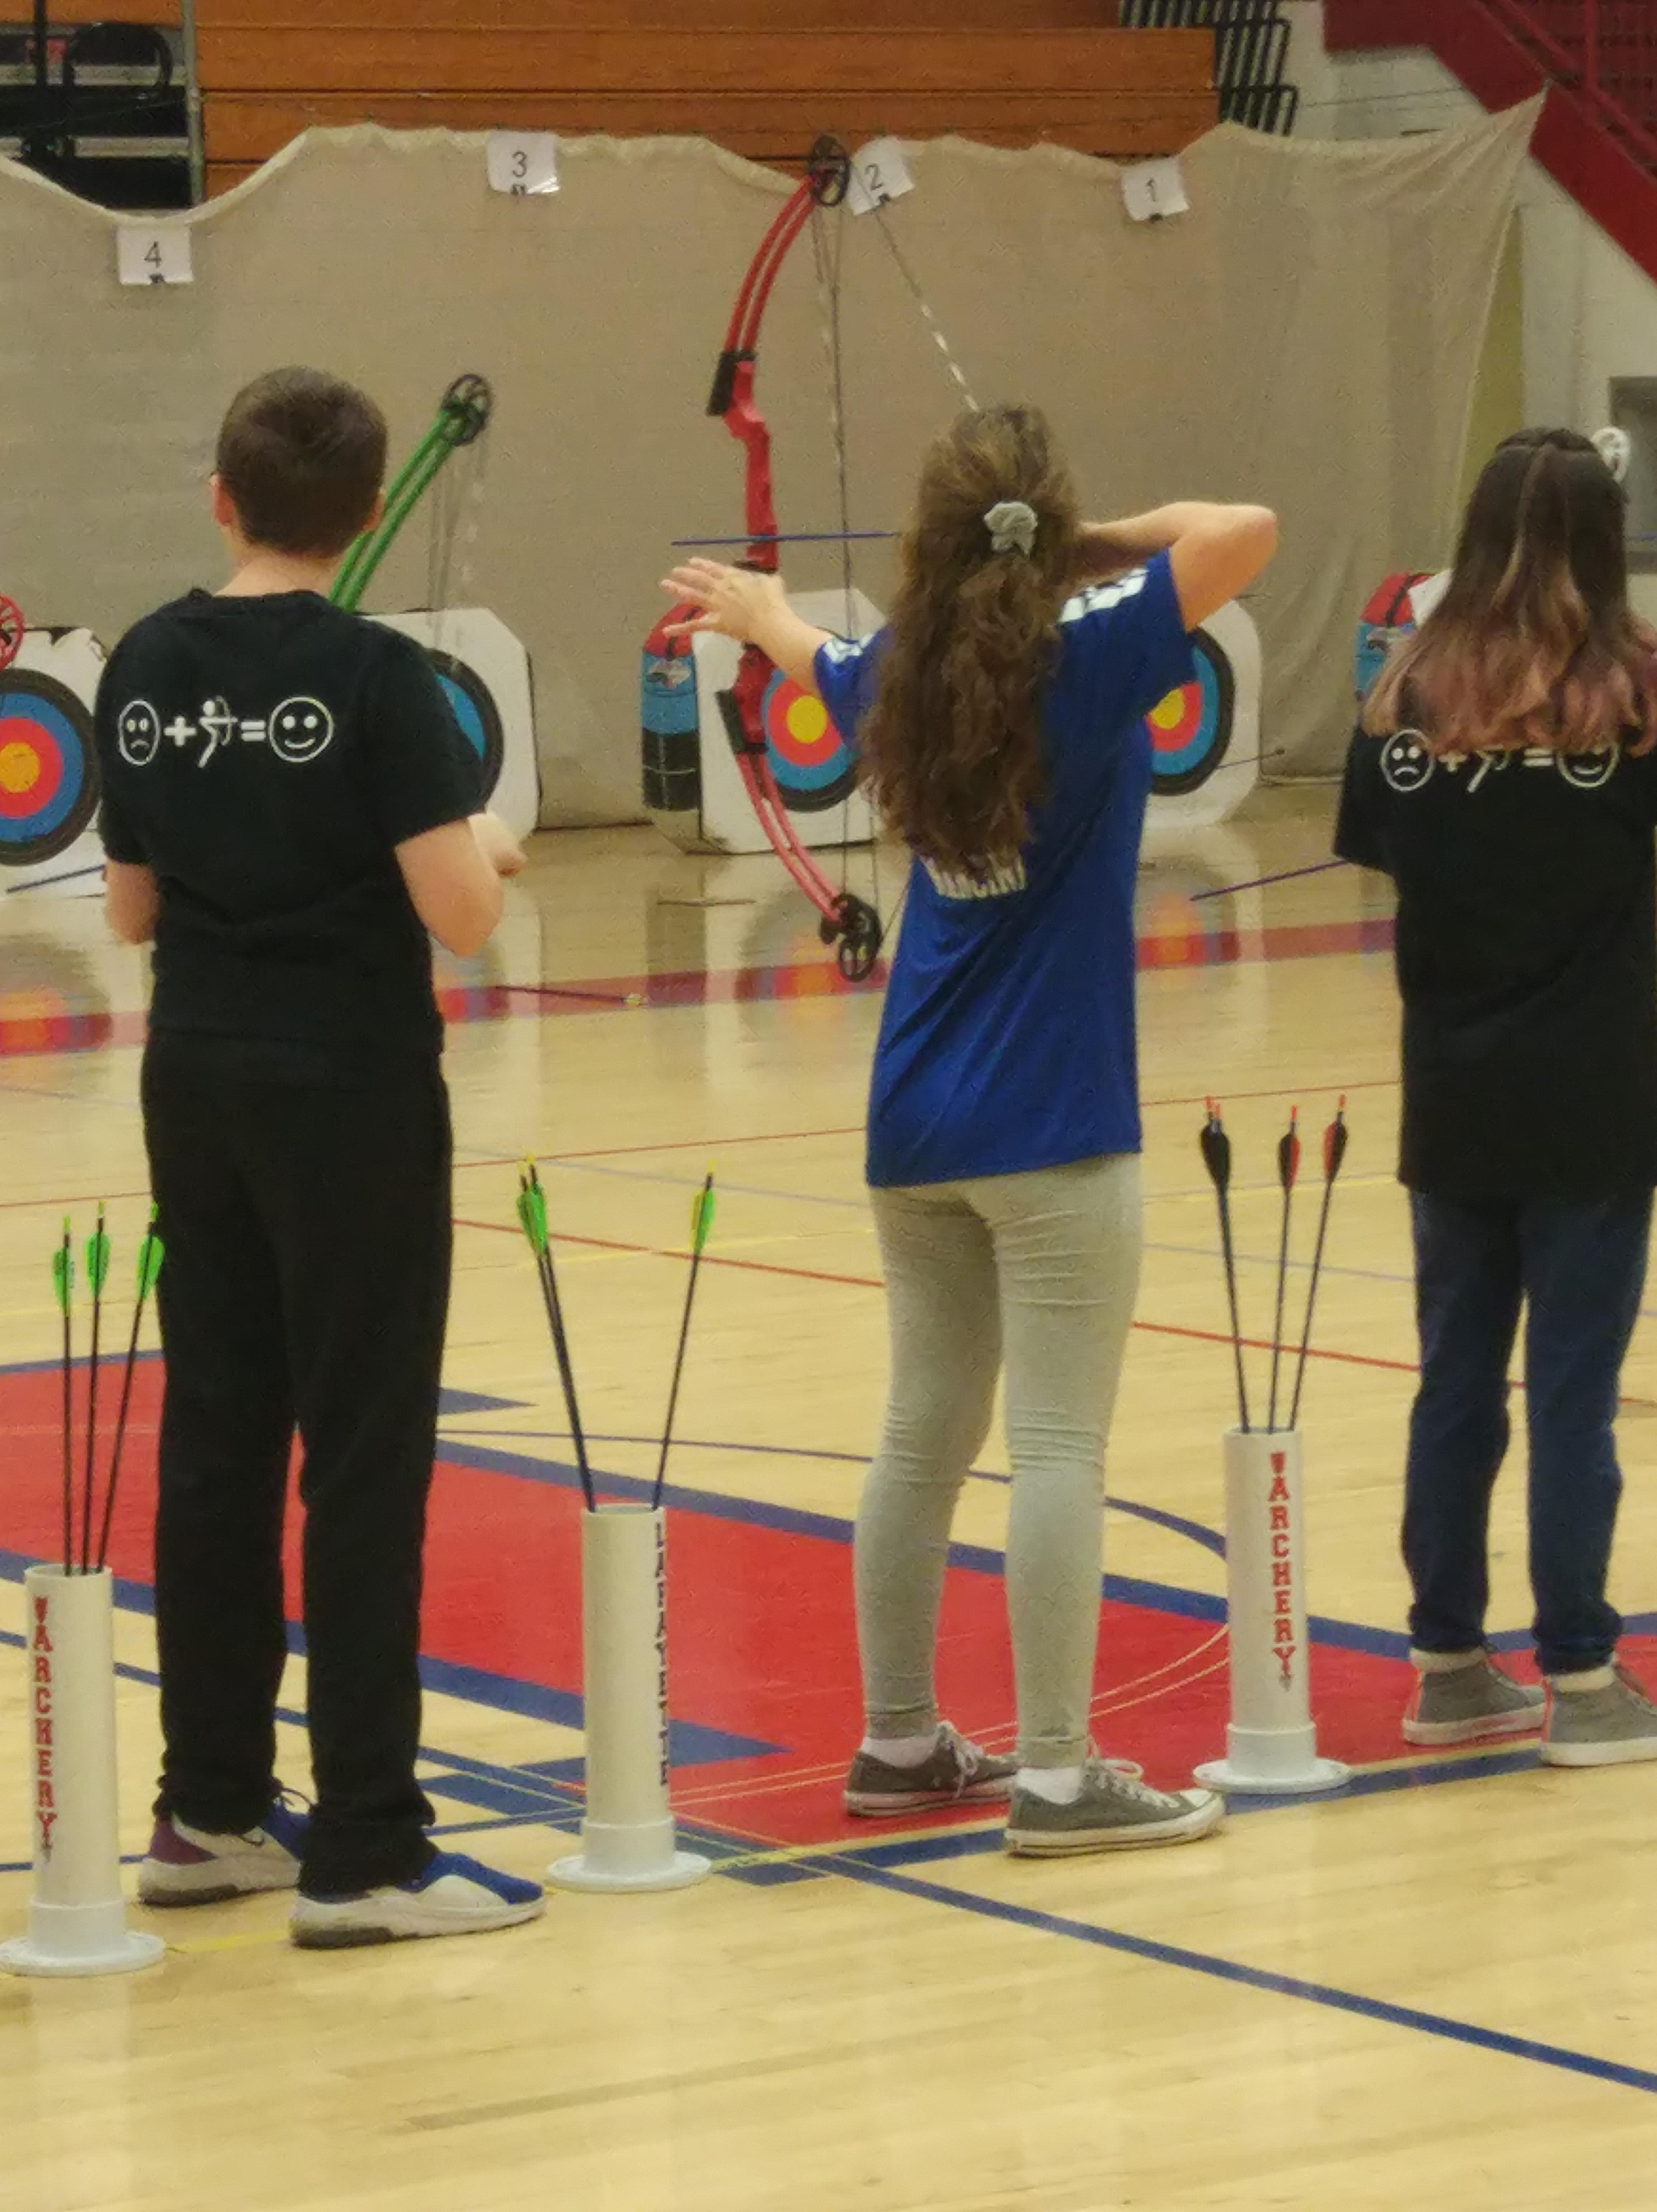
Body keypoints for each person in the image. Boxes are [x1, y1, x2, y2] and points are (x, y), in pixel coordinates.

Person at [663, 403, 1277, 1853]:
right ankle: (1059, 1774)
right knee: (1058, 1444)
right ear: (1043, 531)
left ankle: (898, 1744)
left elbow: (814, 654)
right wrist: (1090, 540)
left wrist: (758, 612)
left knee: (921, 1436)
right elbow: (1241, 530)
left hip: (916, 1121)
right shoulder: (1090, 652)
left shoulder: (907, 665)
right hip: (1054, 1117)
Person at [97, 365, 545, 1944]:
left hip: (196, 1081)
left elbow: (131, 913)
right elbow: (464, 916)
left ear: (223, 500)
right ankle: (365, 1845)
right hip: (347, 1094)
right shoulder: (374, 677)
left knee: (219, 1437)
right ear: (363, 516)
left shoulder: (144, 661)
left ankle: (210, 1807)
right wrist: (484, 840)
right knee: (362, 1454)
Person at [1337, 426, 1657, 1764]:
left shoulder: (1406, 696)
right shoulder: (1636, 694)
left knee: (1455, 1381)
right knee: (1574, 1392)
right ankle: (1581, 1676)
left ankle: (1451, 1666)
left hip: (1456, 1091)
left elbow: (1385, 857)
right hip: (1597, 1098)